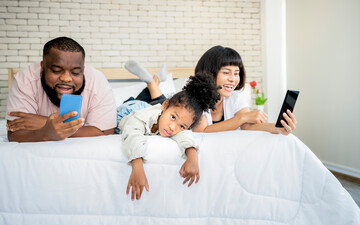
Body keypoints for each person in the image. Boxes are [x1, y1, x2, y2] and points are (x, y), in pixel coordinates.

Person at [117, 72, 220, 201]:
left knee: (166, 114)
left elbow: (185, 135)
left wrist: (192, 155)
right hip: (129, 109)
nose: (173, 127)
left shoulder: (175, 124)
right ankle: (153, 82)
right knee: (137, 102)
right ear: (165, 106)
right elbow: (132, 135)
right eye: (173, 117)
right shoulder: (140, 118)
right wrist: (137, 167)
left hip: (154, 109)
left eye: (182, 126)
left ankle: (155, 83)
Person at [6, 36, 117, 142]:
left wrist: (44, 123)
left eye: (75, 72)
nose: (66, 78)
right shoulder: (24, 81)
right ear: (43, 67)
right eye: (56, 70)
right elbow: (14, 134)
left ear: (83, 70)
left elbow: (106, 132)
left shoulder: (97, 81)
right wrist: (46, 132)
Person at [192, 45, 297, 134]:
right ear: (209, 73)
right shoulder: (193, 97)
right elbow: (202, 131)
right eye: (226, 72)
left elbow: (247, 127)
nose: (232, 79)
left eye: (236, 73)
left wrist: (278, 128)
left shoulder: (235, 96)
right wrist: (242, 118)